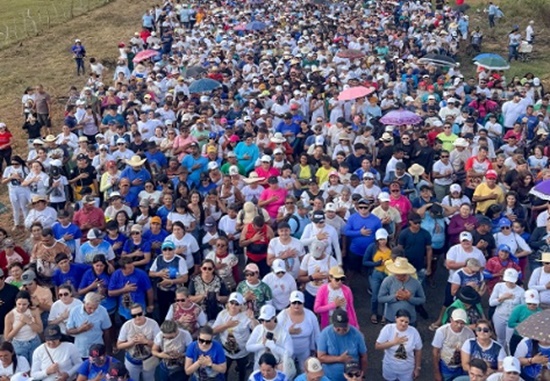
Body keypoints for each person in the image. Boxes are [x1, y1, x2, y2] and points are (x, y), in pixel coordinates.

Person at [212, 292, 255, 381]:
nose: (233, 306)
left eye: (236, 304)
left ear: (240, 306)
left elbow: (256, 329)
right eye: (231, 303)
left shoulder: (245, 316)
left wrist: (252, 318)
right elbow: (213, 331)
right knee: (224, 372)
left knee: (242, 372)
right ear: (228, 303)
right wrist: (226, 325)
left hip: (242, 352)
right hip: (226, 351)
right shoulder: (222, 314)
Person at [317, 308, 368, 381]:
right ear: (332, 324)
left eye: (344, 327)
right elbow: (321, 357)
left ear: (348, 323)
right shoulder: (325, 334)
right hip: (330, 378)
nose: (341, 330)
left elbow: (364, 357)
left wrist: (362, 376)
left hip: (353, 377)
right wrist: (339, 359)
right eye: (338, 328)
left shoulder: (357, 335)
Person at [277, 290, 320, 371]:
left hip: (304, 350)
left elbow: (317, 334)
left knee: (305, 371)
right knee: (287, 372)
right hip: (286, 352)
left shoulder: (310, 315)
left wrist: (318, 350)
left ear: (303, 303)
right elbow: (275, 332)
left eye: (299, 303)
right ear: (290, 302)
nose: (296, 305)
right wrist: (288, 331)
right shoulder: (282, 316)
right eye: (294, 303)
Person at [375, 309, 423, 381]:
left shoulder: (414, 332)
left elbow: (418, 350)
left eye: (406, 322)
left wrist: (417, 368)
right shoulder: (388, 329)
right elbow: (377, 346)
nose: (403, 324)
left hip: (407, 370)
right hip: (389, 368)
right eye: (401, 320)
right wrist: (394, 342)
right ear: (396, 318)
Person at [117, 303, 161, 381]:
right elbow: (119, 345)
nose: (137, 317)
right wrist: (131, 343)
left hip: (149, 360)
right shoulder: (126, 326)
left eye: (139, 314)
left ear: (143, 312)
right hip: (132, 361)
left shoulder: (153, 324)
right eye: (134, 315)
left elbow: (160, 346)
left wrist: (146, 341)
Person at [246, 304, 294, 375]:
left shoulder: (283, 332)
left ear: (274, 318)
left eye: (267, 320)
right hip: (259, 365)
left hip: (277, 366)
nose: (264, 323)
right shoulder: (258, 329)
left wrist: (274, 347)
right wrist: (262, 345)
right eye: (262, 320)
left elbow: (289, 353)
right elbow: (248, 347)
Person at [378, 257, 426, 325]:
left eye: (402, 275)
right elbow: (380, 298)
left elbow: (422, 299)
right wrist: (396, 297)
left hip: (409, 320)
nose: (398, 277)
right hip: (391, 319)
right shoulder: (388, 281)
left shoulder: (415, 283)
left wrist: (409, 298)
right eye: (397, 274)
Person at [149, 240, 189, 320]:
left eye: (170, 249)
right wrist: (158, 274)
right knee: (163, 310)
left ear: (174, 250)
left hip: (176, 291)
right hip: (162, 289)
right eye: (165, 249)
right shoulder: (159, 258)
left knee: (177, 310)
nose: (167, 251)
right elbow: (150, 273)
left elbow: (185, 278)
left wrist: (171, 281)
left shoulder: (180, 260)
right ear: (162, 250)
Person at [432, 309, 476, 381]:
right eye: (457, 322)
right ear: (451, 320)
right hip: (446, 367)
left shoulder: (469, 333)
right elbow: (435, 352)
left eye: (462, 323)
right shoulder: (441, 331)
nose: (459, 325)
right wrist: (437, 372)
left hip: (462, 368)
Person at [66, 292, 112, 358]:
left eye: (95, 308)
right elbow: (68, 331)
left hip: (98, 349)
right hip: (81, 350)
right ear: (84, 302)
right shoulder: (74, 311)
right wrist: (80, 329)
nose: (92, 310)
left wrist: (108, 351)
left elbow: (106, 331)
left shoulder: (103, 311)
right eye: (89, 308)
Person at [489, 268, 523, 350]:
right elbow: (491, 303)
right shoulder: (498, 286)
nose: (510, 283)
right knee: (500, 339)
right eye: (508, 280)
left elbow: (522, 307)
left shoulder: (521, 291)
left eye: (512, 281)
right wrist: (502, 298)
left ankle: (508, 357)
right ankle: (499, 355)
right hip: (499, 316)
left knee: (509, 341)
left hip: (512, 319)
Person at [4, 290, 42, 363]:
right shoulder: (10, 316)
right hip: (19, 344)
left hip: (34, 341)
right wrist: (21, 324)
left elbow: (40, 329)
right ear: (15, 302)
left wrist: (29, 321)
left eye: (24, 304)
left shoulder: (34, 311)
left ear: (28, 303)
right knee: (23, 368)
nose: (21, 307)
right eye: (19, 304)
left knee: (36, 365)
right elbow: (7, 337)